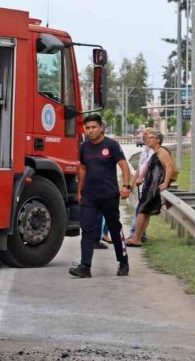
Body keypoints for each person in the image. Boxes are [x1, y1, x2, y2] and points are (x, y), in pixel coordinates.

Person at [71, 114, 132, 278]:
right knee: (87, 229)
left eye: (93, 127)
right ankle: (85, 266)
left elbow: (124, 166)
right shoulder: (84, 147)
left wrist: (126, 186)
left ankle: (123, 262)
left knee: (114, 228)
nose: (90, 131)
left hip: (109, 195)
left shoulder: (111, 145)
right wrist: (79, 190)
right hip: (90, 195)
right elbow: (82, 169)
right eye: (87, 128)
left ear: (101, 128)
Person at [126, 130, 174, 246]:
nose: (148, 139)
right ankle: (137, 238)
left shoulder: (162, 151)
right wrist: (140, 178)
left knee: (142, 210)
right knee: (145, 211)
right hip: (149, 184)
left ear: (158, 140)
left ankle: (136, 238)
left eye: (151, 137)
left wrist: (165, 183)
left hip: (154, 186)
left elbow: (169, 167)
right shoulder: (154, 152)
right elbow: (147, 166)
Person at [130, 128, 154, 242]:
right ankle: (140, 235)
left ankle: (135, 235)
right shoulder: (145, 150)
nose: (143, 136)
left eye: (147, 134)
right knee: (142, 211)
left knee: (139, 210)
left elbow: (148, 167)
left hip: (149, 185)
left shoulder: (155, 151)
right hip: (142, 186)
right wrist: (132, 183)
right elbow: (140, 169)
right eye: (143, 134)